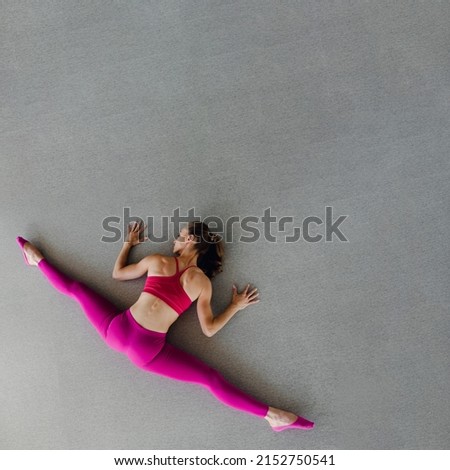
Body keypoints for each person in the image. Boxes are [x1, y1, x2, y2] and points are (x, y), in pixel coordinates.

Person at [16, 220, 314, 432]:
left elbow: (118, 274)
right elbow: (208, 330)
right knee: (210, 379)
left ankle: (36, 258)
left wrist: (128, 244)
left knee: (78, 290)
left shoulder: (157, 261)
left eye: (180, 235)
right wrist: (233, 306)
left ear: (192, 241)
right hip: (147, 351)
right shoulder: (202, 283)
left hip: (118, 329)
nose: (175, 240)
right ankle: (272, 414)